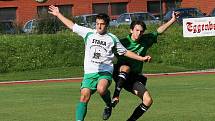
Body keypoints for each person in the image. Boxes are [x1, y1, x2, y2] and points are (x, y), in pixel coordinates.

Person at [48, 5, 152, 121]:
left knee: (101, 89)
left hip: (105, 71)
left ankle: (108, 105)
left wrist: (141, 58)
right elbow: (72, 26)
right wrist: (58, 14)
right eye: (97, 23)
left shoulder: (112, 38)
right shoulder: (88, 33)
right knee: (84, 97)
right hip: (89, 73)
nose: (99, 26)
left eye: (102, 24)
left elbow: (125, 52)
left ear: (106, 25)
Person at [110, 11, 180, 121]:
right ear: (131, 30)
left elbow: (158, 31)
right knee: (126, 67)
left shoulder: (145, 40)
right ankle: (115, 96)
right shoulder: (122, 42)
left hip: (134, 77)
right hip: (120, 74)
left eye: (141, 31)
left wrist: (172, 20)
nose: (139, 33)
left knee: (148, 100)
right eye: (136, 30)